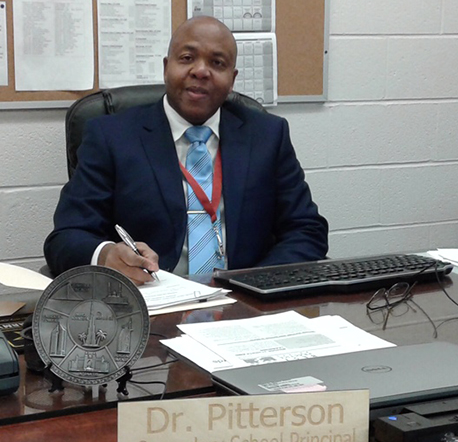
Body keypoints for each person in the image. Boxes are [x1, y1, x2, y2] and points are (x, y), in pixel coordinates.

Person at [44, 16, 328, 284]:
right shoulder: (111, 137)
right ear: (167, 66)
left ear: (232, 78)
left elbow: (307, 230)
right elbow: (67, 236)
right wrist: (106, 255)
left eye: (217, 63)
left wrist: (255, 286)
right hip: (150, 305)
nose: (201, 71)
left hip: (246, 306)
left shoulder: (267, 135)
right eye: (187, 58)